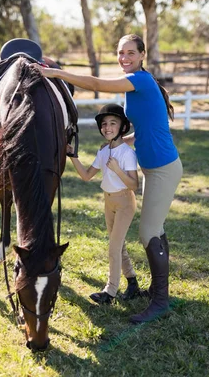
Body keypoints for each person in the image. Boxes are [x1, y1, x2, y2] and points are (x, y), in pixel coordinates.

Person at [34, 34, 183, 324]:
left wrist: (55, 73)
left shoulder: (139, 80)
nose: (124, 57)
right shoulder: (135, 84)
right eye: (120, 52)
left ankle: (161, 301)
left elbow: (98, 84)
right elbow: (144, 127)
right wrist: (121, 142)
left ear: (142, 54)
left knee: (148, 232)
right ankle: (156, 290)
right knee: (155, 228)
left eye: (130, 52)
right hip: (152, 167)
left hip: (164, 168)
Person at [67, 104, 141, 305]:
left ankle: (110, 292)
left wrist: (117, 170)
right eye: (104, 124)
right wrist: (73, 156)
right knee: (119, 246)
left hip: (125, 202)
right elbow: (86, 176)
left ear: (122, 128)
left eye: (113, 123)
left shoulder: (126, 153)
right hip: (108, 202)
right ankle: (132, 283)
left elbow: (134, 184)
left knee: (113, 247)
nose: (108, 128)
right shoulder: (103, 152)